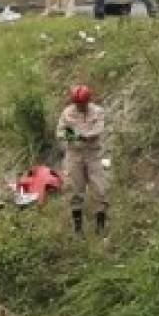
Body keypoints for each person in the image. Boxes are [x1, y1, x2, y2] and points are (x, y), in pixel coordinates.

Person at [57, 84, 107, 235]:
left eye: (82, 103)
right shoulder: (67, 113)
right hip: (74, 154)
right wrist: (76, 135)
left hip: (92, 154)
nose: (80, 106)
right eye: (77, 103)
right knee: (74, 190)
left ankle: (100, 228)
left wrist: (85, 135)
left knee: (100, 189)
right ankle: (78, 229)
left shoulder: (98, 112)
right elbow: (60, 132)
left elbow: (98, 129)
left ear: (88, 100)